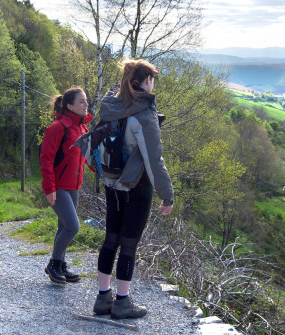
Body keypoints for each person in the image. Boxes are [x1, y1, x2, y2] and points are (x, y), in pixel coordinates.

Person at [92, 59, 174, 319]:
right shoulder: (144, 113)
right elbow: (154, 160)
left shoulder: (111, 105)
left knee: (110, 239)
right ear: (145, 81)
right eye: (152, 79)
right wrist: (167, 194)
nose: (153, 84)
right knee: (128, 244)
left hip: (111, 181)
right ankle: (123, 302)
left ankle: (102, 299)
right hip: (136, 185)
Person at [40, 87, 93, 284]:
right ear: (69, 105)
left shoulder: (82, 128)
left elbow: (87, 157)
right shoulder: (57, 128)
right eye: (81, 101)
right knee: (72, 226)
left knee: (63, 226)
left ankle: (60, 265)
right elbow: (46, 160)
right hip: (58, 186)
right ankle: (54, 263)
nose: (86, 104)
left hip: (74, 186)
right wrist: (49, 189)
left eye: (86, 100)